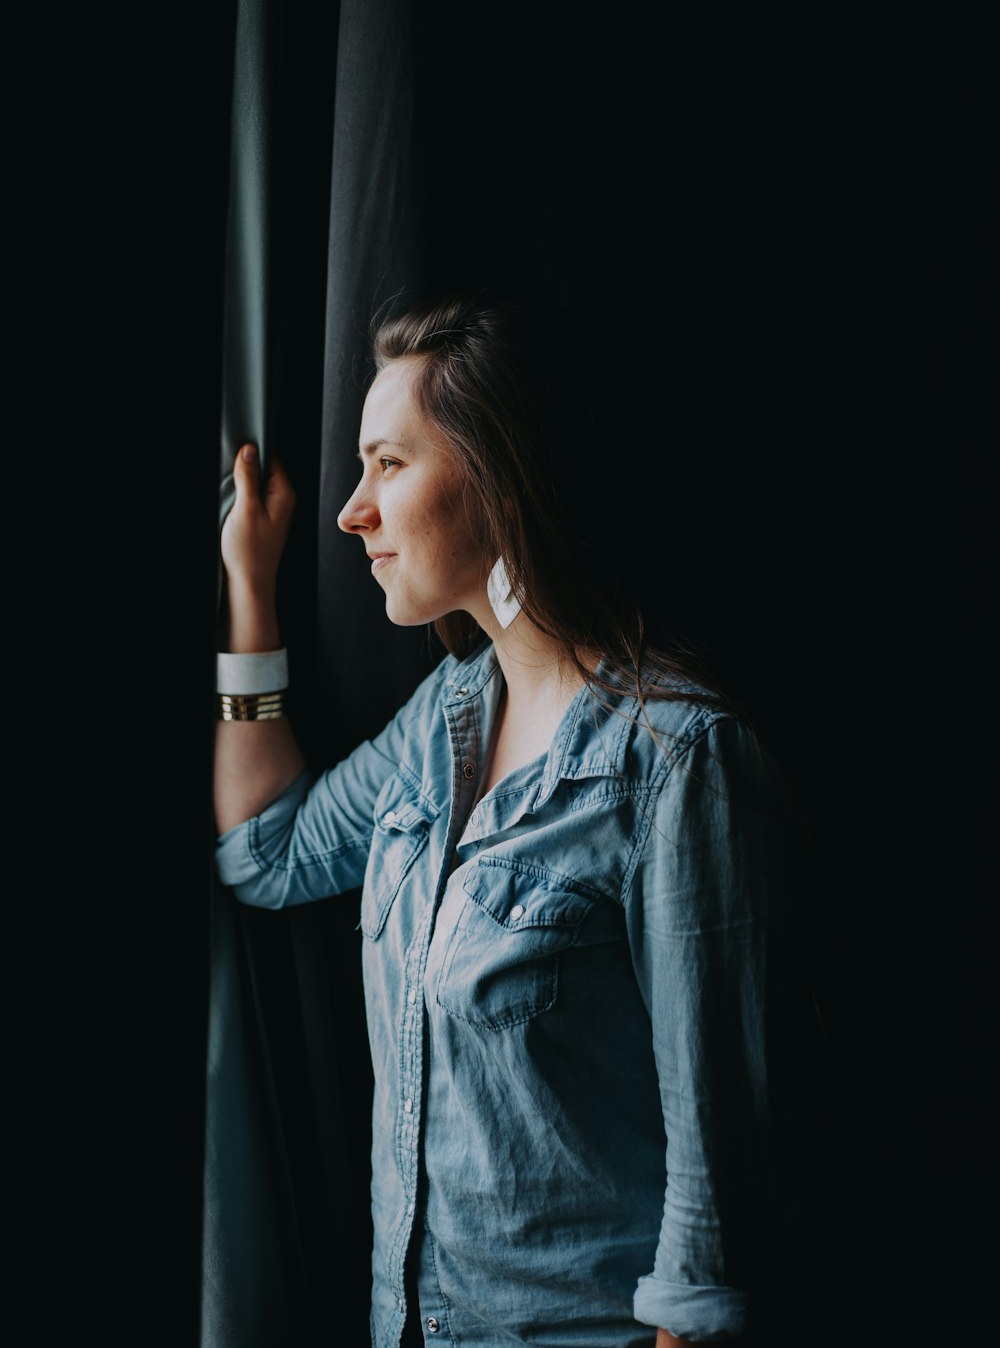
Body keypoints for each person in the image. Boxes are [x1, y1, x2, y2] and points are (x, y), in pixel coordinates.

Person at [214, 293, 800, 1347]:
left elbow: (712, 1239)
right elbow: (268, 851)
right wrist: (249, 592)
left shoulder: (677, 763)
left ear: (496, 475)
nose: (354, 510)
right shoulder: (445, 718)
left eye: (388, 465)